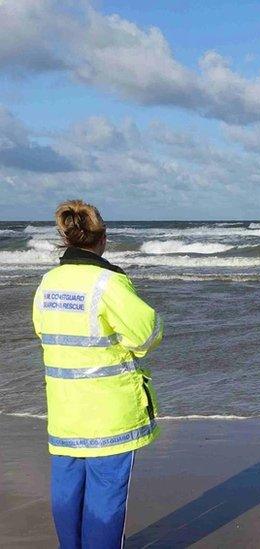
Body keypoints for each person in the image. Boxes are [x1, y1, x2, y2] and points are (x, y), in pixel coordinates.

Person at [32, 200, 164, 548]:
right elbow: (146, 333)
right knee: (106, 496)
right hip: (109, 414)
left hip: (64, 409)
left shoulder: (48, 282)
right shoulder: (108, 283)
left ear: (67, 238)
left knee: (67, 491)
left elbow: (44, 332)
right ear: (102, 238)